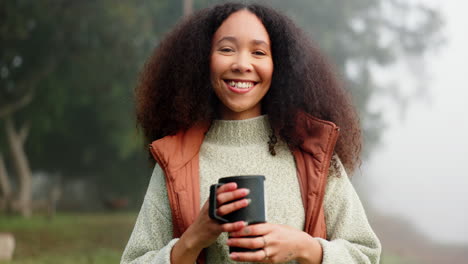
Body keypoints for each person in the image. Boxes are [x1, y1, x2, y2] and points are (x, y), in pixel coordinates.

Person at [121, 2, 381, 264]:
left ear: (278, 65)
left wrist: (306, 248)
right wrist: (193, 239)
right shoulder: (178, 158)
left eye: (258, 52)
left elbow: (365, 255)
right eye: (226, 49)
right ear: (202, 60)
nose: (242, 64)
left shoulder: (311, 150)